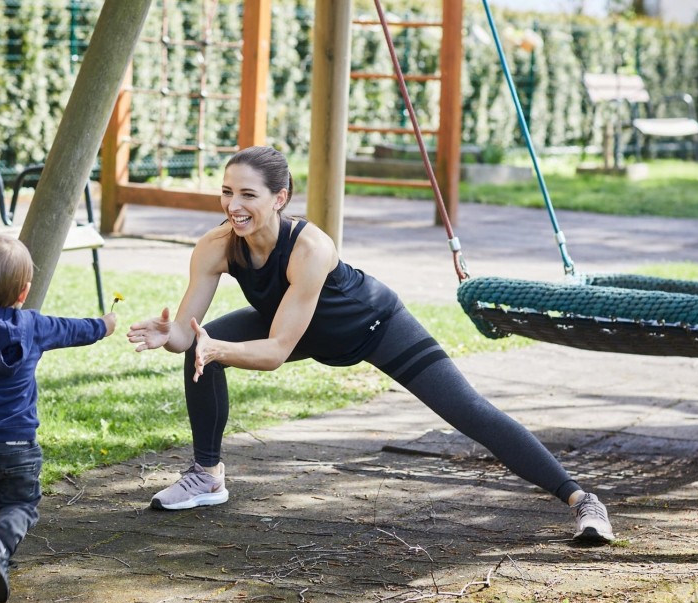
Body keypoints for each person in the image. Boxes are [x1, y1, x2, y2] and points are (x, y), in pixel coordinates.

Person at [126, 146, 615, 543]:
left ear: (280, 197)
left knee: (468, 410)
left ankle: (581, 500)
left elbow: (274, 352)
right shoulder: (216, 246)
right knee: (200, 352)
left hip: (374, 325)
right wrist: (171, 336)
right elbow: (191, 332)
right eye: (227, 192)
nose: (234, 205)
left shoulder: (310, 247)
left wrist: (214, 348)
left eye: (248, 194)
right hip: (296, 325)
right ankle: (207, 475)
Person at [0, 234, 117, 603]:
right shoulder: (35, 325)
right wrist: (104, 325)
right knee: (21, 506)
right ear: (24, 291)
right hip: (18, 446)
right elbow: (75, 329)